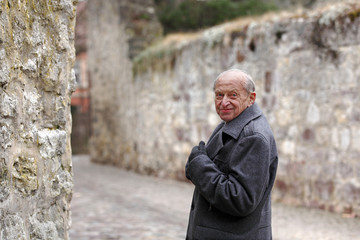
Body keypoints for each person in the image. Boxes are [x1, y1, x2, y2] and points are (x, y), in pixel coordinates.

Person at [185, 69, 278, 240]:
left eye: (233, 95)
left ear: (251, 98)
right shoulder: (230, 123)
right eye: (219, 95)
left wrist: (198, 165)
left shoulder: (253, 136)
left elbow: (241, 199)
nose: (224, 102)